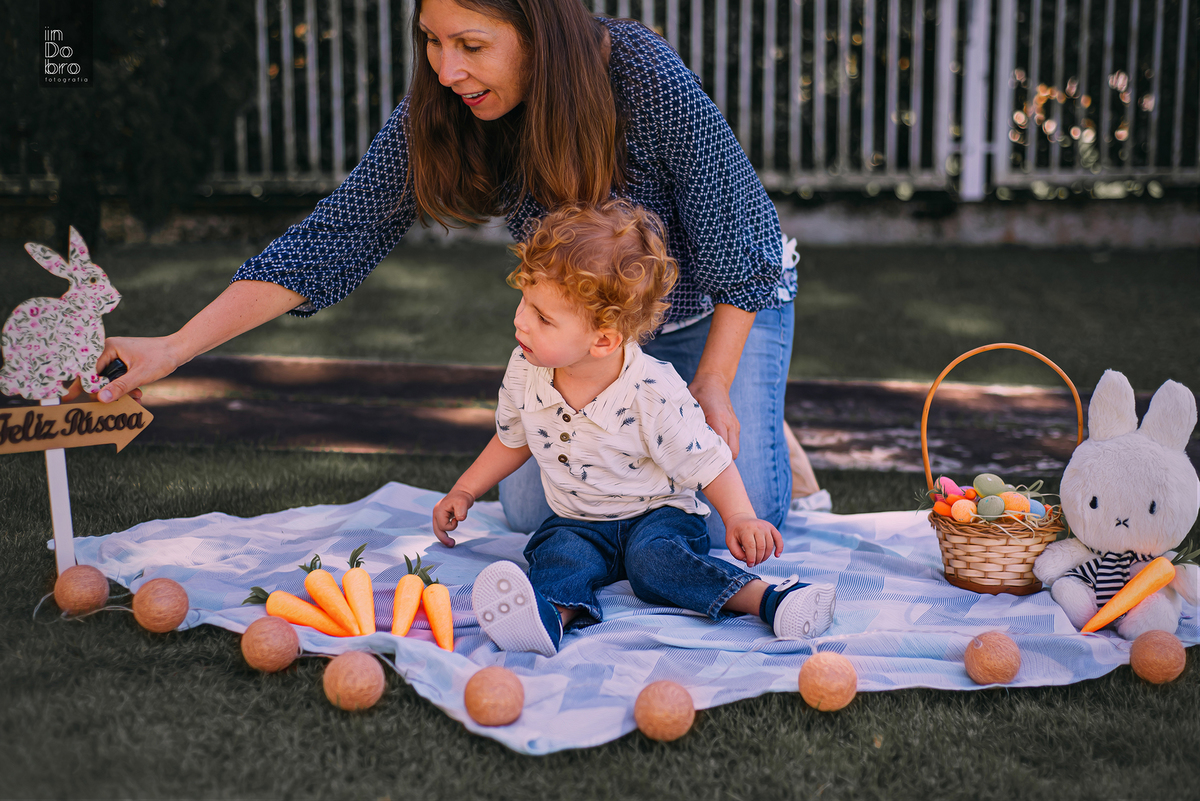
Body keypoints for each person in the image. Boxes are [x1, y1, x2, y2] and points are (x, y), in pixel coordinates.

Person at [94, 0, 820, 544]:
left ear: (540, 31)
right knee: (536, 512)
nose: (446, 70)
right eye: (432, 41)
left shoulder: (642, 75)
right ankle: (679, 413)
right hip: (586, 338)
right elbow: (337, 233)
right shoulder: (449, 99)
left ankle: (749, 412)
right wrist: (173, 349)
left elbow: (745, 242)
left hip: (716, 309)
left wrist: (712, 384)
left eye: (471, 45)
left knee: (731, 508)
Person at [432, 200, 835, 657]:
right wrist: (465, 490)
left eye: (543, 317)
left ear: (603, 339)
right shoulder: (526, 369)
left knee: (655, 563)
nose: (520, 320)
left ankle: (769, 599)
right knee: (560, 553)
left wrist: (740, 516)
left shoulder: (653, 391)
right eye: (525, 299)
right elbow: (513, 438)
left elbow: (709, 460)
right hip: (579, 520)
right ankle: (546, 618)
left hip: (657, 517)